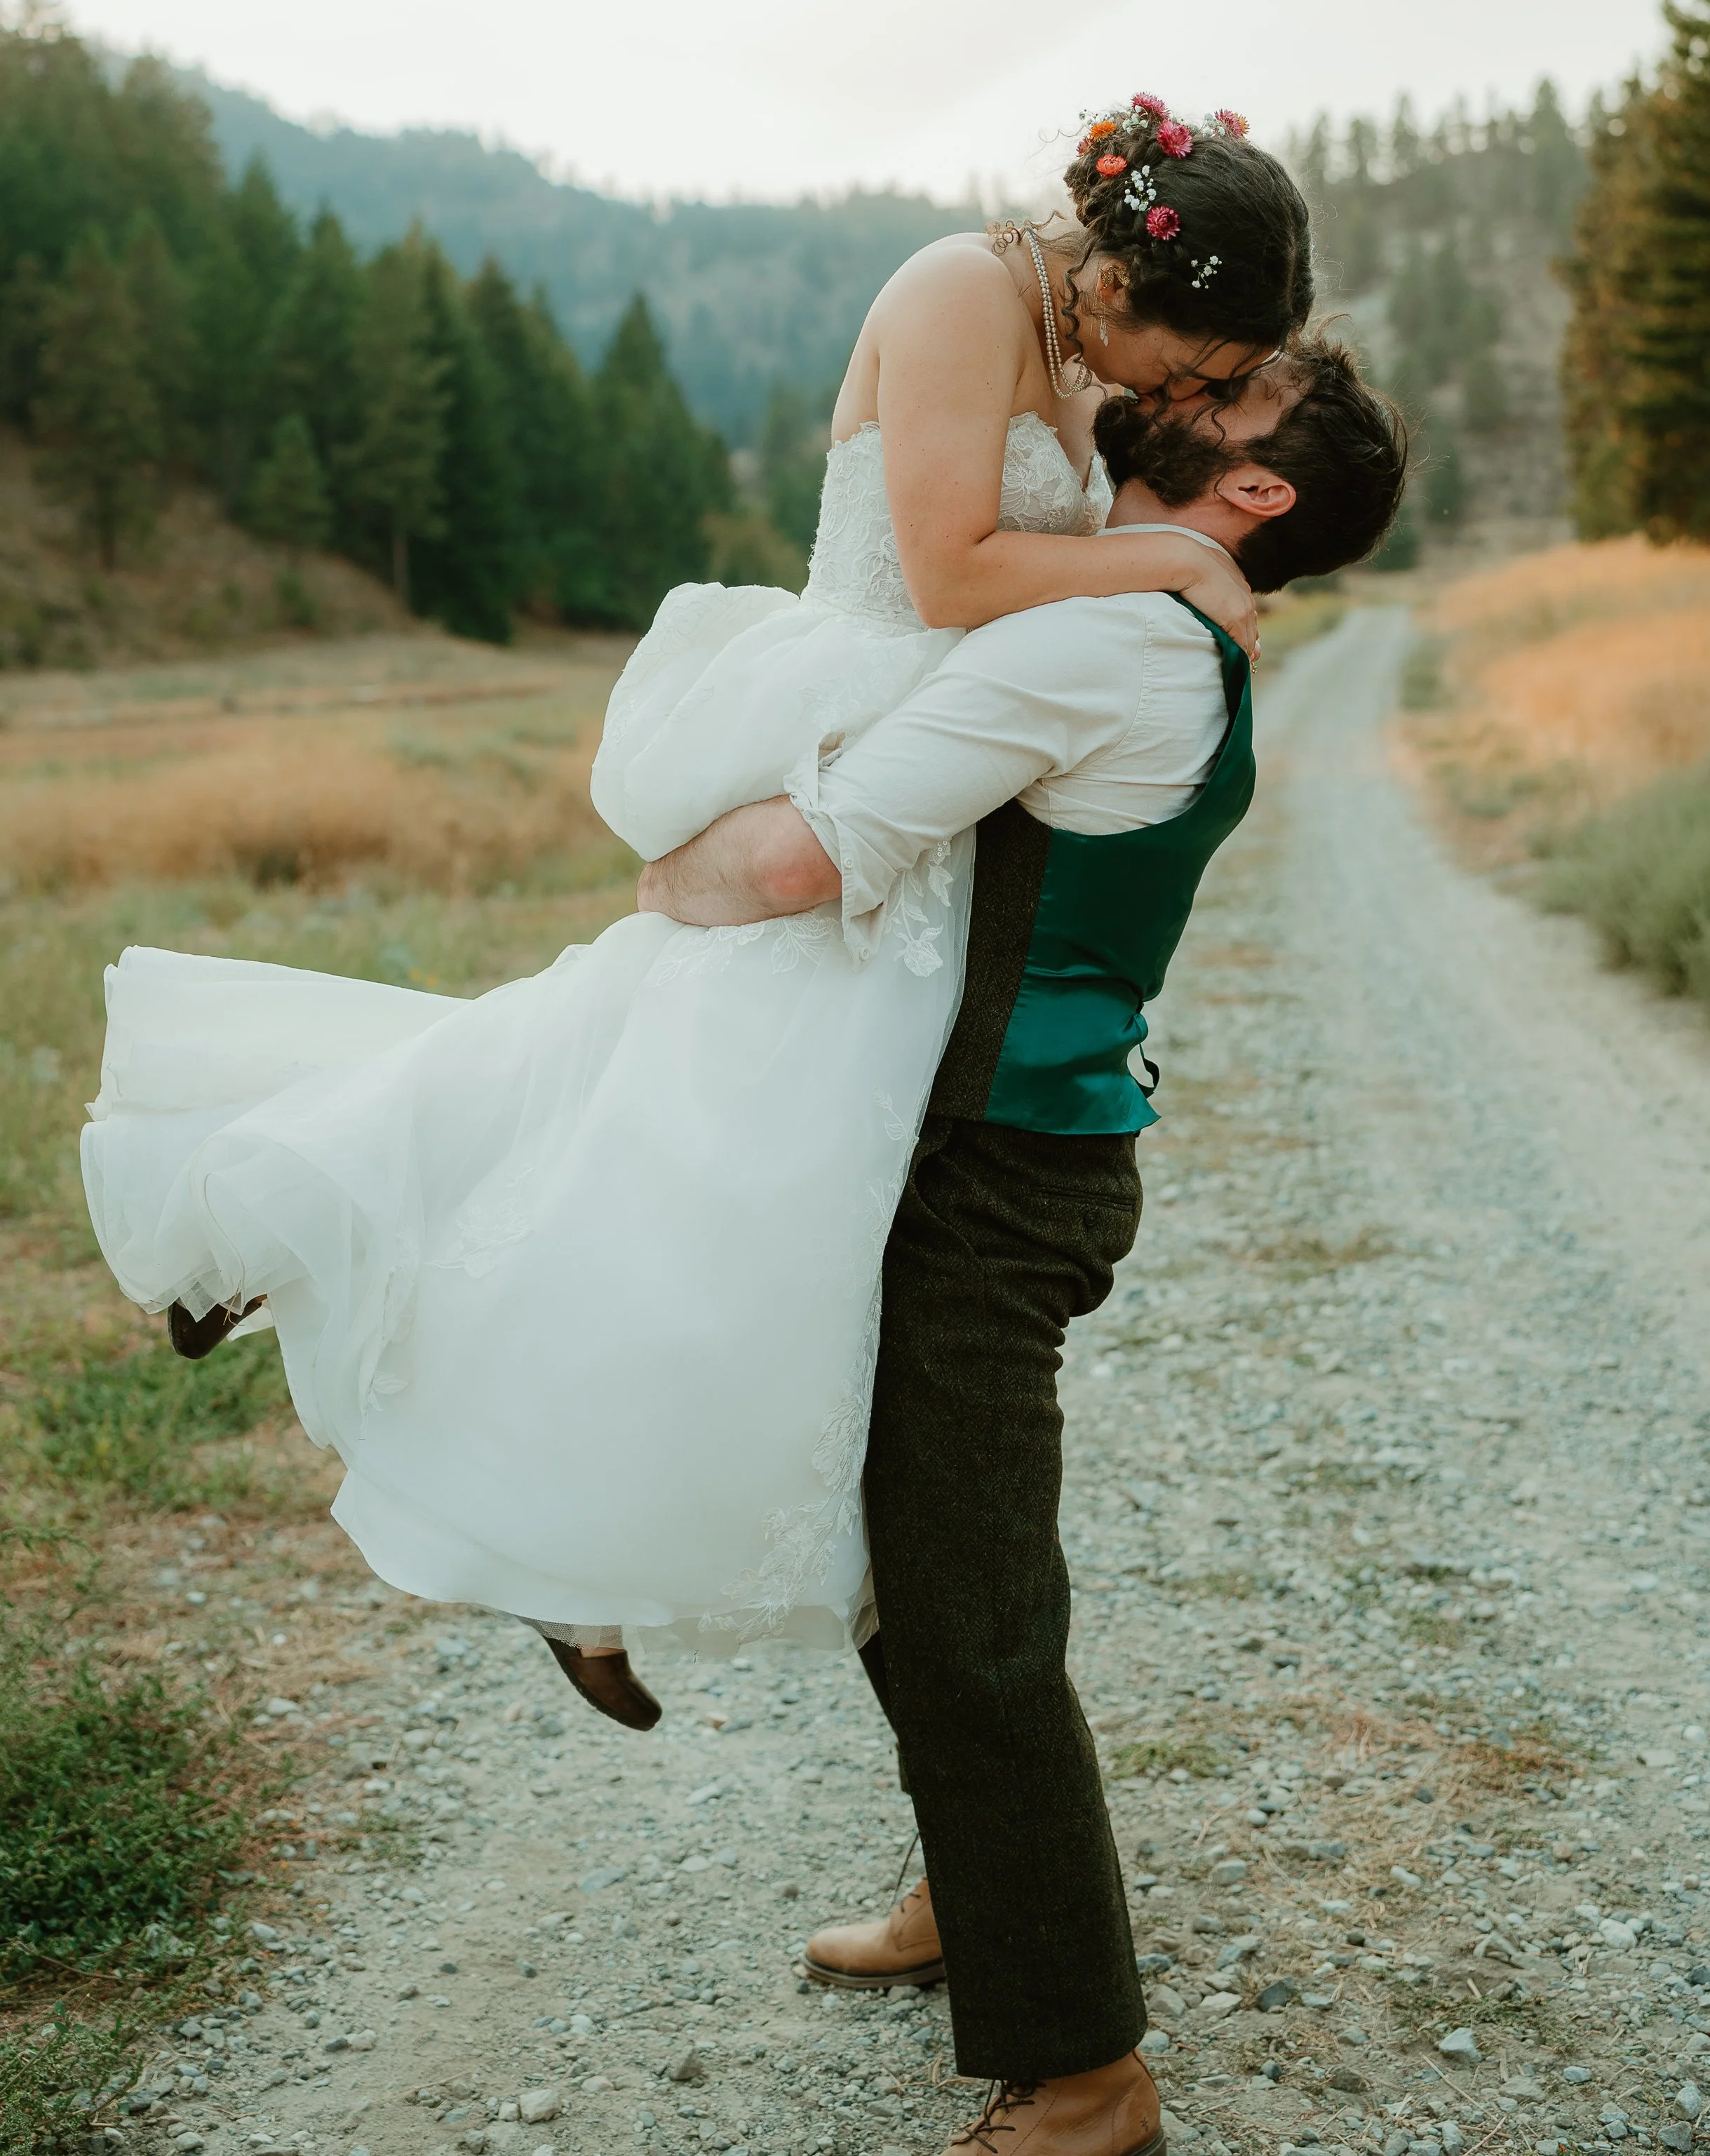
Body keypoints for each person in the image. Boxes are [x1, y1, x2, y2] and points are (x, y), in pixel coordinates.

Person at [79, 99, 1312, 1725]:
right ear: (1127, 274)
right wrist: (1167, 568)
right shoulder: (960, 289)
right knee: (686, 1140)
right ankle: (284, 1216)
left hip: (923, 774)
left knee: (702, 1146)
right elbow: (944, 574)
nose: (1183, 397)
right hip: (851, 708)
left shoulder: (1080, 345)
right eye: (1193, 359)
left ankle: (534, 1500)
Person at [635, 336, 1406, 2156]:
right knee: (911, 1539)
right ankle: (985, 1894)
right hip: (978, 1144)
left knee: (973, 1602)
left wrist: (659, 887)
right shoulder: (1156, 611)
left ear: (1258, 495)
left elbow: (809, 857)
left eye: (1229, 394)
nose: (1183, 381)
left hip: (995, 1169)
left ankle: (1079, 2079)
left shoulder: (1120, 641)